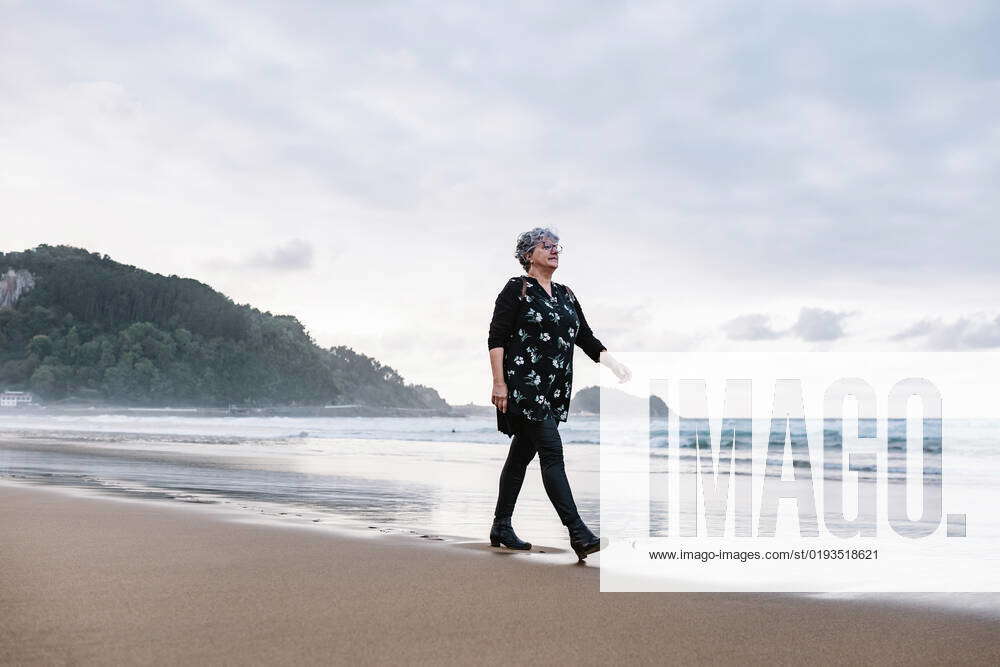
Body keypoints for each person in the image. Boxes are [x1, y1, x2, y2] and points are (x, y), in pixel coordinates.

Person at [487, 227, 631, 561]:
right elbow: (496, 338)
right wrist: (499, 383)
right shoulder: (516, 289)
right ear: (528, 255)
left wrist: (613, 363)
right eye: (546, 246)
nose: (554, 250)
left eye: (557, 246)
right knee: (552, 452)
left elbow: (585, 336)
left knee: (521, 455)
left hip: (553, 389)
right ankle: (578, 533)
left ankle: (501, 526)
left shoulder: (566, 295)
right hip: (524, 385)